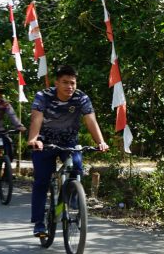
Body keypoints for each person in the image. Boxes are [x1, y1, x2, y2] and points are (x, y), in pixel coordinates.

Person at [26, 64, 109, 237]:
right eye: (65, 82)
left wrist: (100, 142)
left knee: (77, 166)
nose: (69, 86)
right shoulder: (43, 96)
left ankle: (70, 198)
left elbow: (90, 120)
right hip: (44, 142)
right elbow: (36, 118)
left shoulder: (81, 98)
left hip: (69, 142)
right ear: (57, 83)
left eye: (72, 83)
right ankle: (39, 223)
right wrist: (34, 139)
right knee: (42, 180)